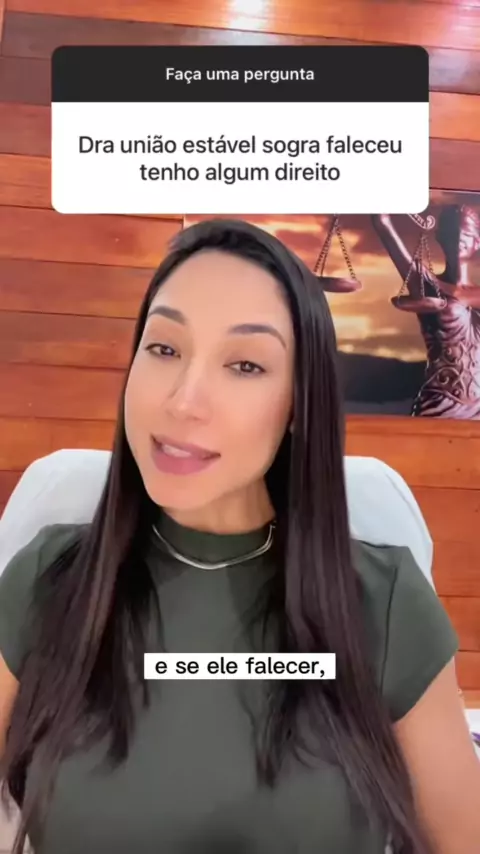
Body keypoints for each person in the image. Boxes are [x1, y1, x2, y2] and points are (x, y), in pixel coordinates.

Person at [0, 219, 479, 854]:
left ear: (298, 403)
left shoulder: (382, 601)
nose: (183, 401)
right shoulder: (48, 578)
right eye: (164, 349)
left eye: (245, 364)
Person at [371, 206, 480, 419]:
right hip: (441, 403)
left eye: (466, 232)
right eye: (451, 231)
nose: (458, 237)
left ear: (477, 242)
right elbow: (382, 223)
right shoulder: (427, 284)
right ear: (440, 237)